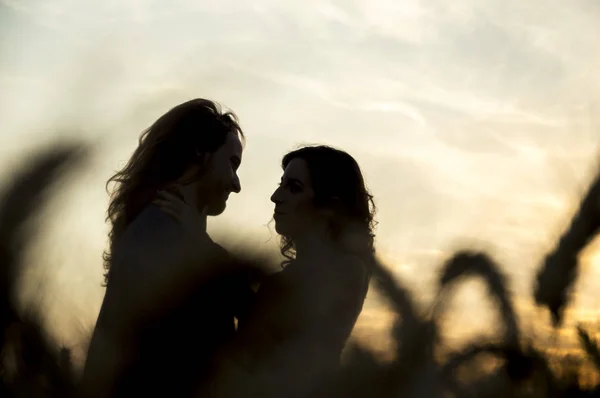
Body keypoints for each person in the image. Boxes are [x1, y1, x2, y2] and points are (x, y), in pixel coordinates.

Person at [158, 145, 375, 397]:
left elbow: (280, 331)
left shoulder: (346, 269)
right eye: (281, 184)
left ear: (330, 207)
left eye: (293, 188)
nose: (276, 196)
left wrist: (200, 240)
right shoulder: (296, 276)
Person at [80, 98, 254, 398]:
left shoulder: (167, 233)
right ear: (200, 150)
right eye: (232, 163)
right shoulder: (160, 235)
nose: (237, 184)